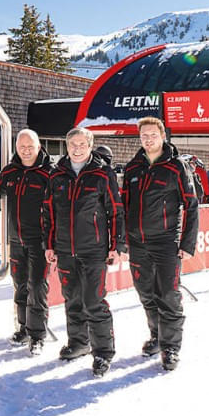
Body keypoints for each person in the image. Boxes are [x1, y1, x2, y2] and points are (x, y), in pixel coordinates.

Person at [42, 127, 126, 377]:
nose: (77, 149)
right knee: (73, 299)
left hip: (94, 250)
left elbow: (116, 210)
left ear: (90, 146)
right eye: (72, 144)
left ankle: (103, 352)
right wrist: (50, 245)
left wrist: (117, 244)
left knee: (94, 301)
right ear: (67, 146)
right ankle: (78, 343)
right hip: (65, 249)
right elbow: (48, 212)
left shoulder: (102, 173)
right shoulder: (56, 174)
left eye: (82, 144)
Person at [122, 117, 199, 371]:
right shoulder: (133, 168)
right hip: (137, 242)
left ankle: (171, 348)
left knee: (168, 294)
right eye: (144, 135)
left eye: (153, 134)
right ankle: (156, 336)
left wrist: (187, 243)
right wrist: (122, 240)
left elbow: (191, 205)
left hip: (166, 242)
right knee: (146, 292)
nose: (148, 139)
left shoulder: (176, 166)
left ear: (162, 136)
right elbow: (123, 206)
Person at [0, 129, 52, 355]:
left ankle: (37, 335)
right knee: (20, 285)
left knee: (37, 287)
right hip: (16, 239)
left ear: (38, 147)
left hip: (40, 241)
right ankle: (24, 328)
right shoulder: (10, 171)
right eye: (21, 147)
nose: (26, 151)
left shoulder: (49, 173)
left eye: (30, 147)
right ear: (16, 148)